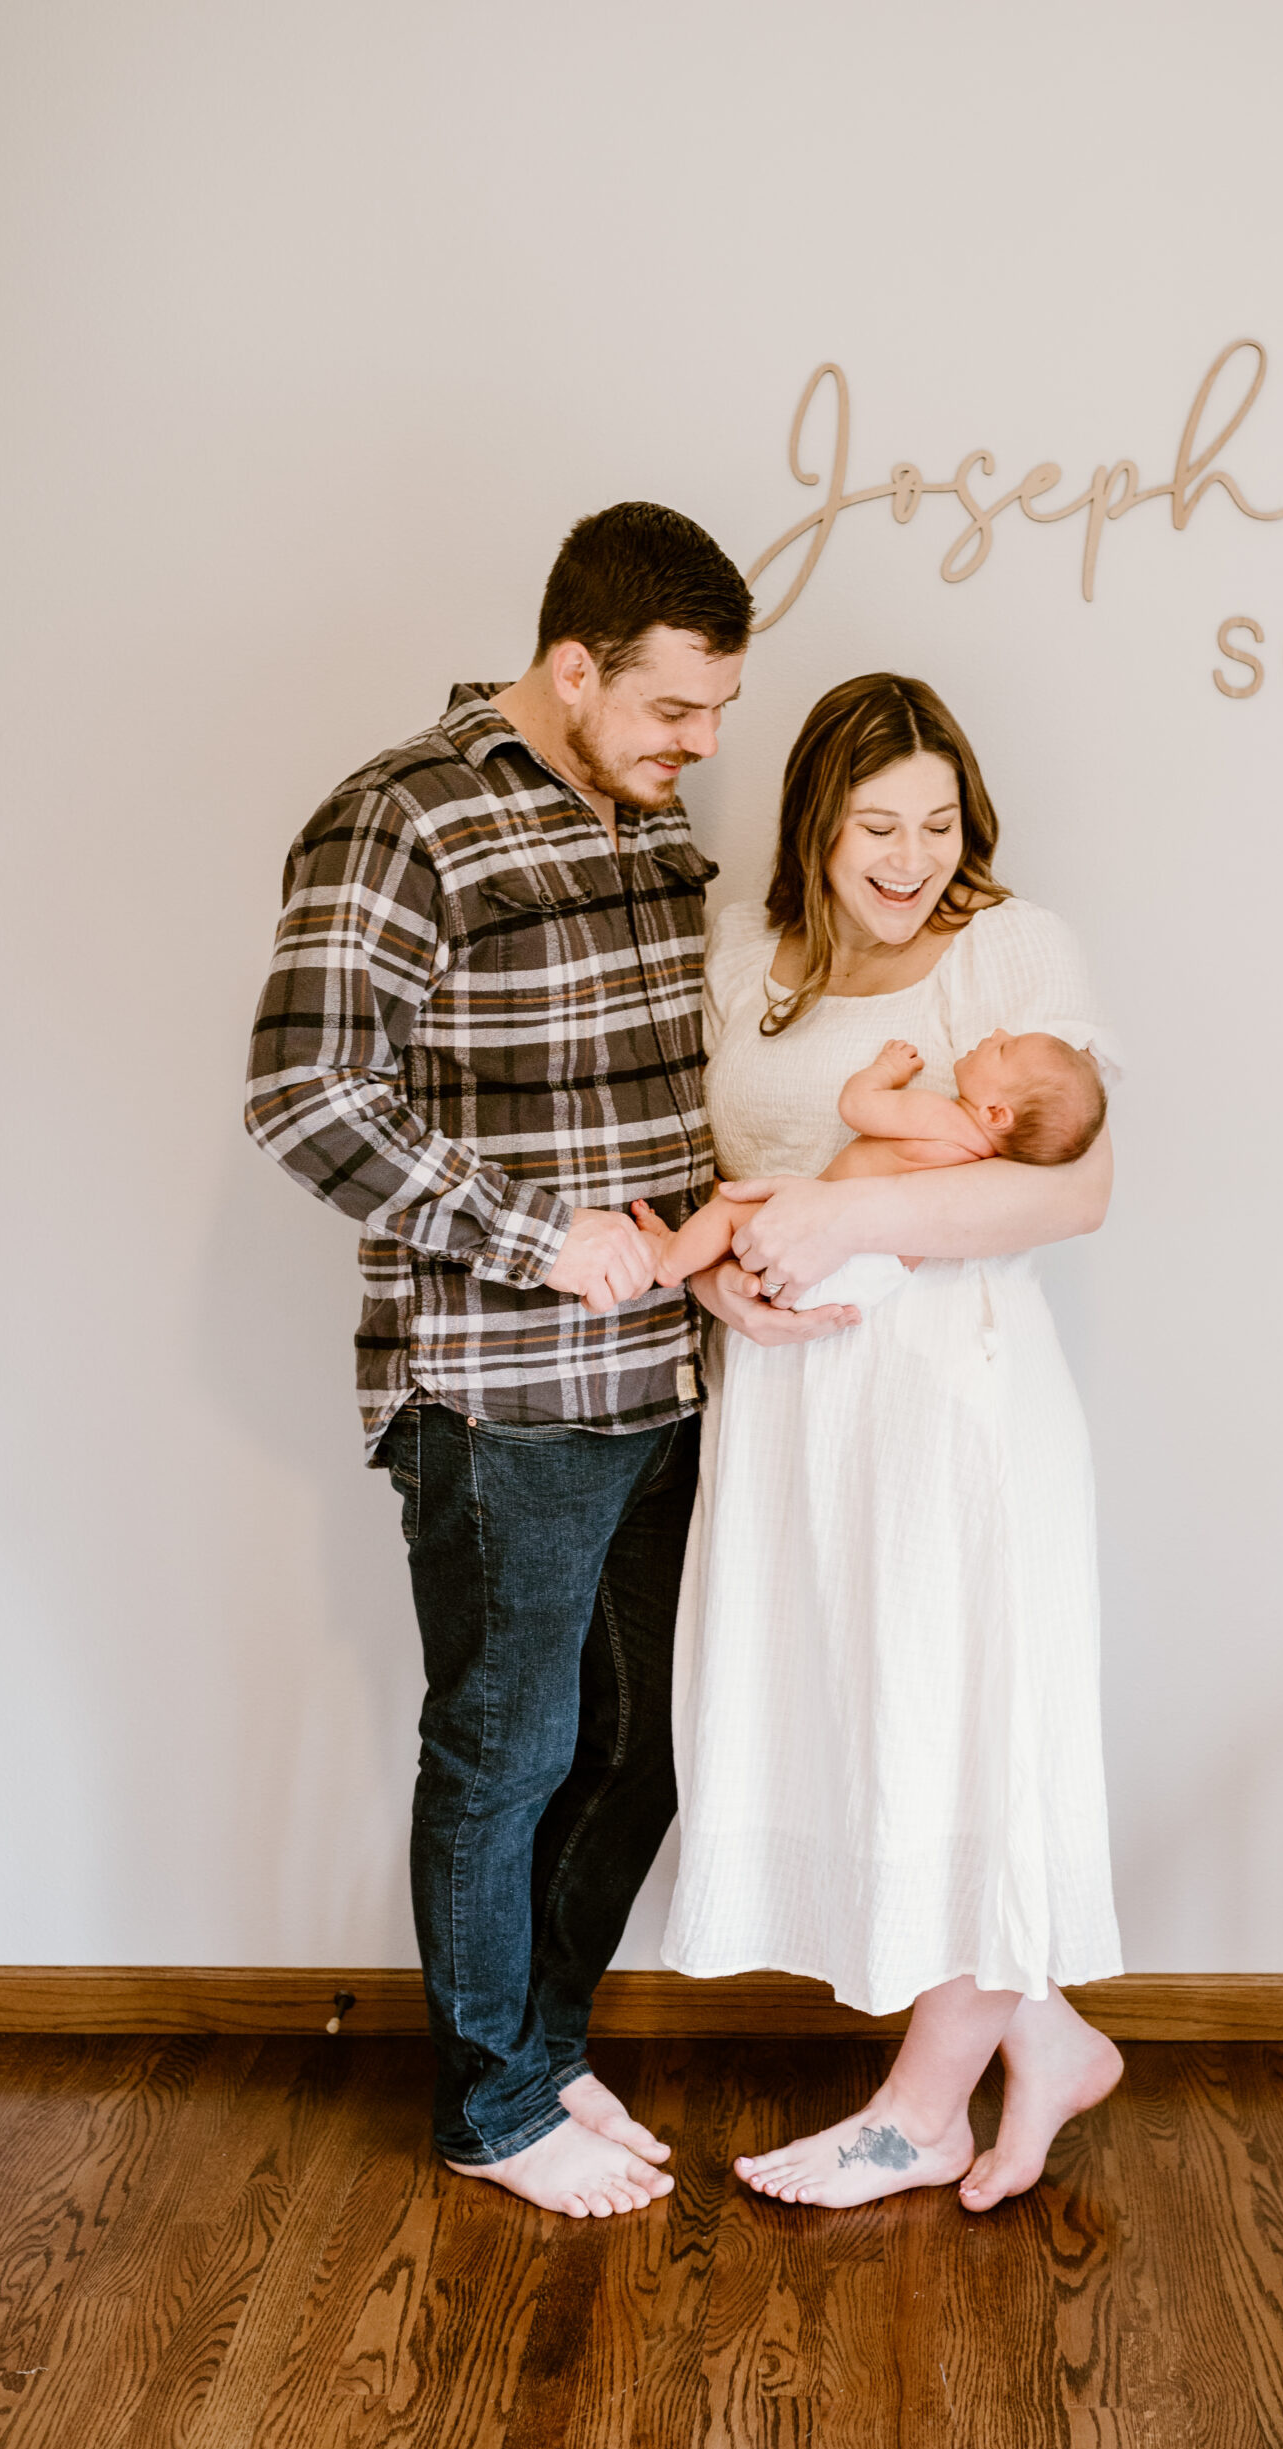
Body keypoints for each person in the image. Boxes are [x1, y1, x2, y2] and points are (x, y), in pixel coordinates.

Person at [243, 502, 856, 2220]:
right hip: (495, 1400)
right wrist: (539, 1235)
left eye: (721, 711)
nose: (703, 744)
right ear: (569, 666)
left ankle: (537, 2046)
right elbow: (306, 1096)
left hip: (661, 1382)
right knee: (502, 1757)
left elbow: (649, 1101)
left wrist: (706, 1245)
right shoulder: (400, 818)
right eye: (674, 708)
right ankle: (486, 2106)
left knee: (647, 1747)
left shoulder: (645, 822)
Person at [665, 670, 1127, 2213]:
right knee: (879, 1725)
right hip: (797, 1399)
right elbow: (724, 1167)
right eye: (878, 823)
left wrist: (849, 1210)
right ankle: (1041, 2035)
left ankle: (921, 2114)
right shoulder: (746, 956)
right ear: (816, 819)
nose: (911, 855)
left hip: (955, 1403)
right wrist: (732, 1271)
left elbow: (1071, 1189)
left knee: (968, 1720)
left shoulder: (1011, 949)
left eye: (937, 822)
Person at [629, 1030, 1107, 1290]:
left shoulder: (939, 1115)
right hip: (869, 1279)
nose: (996, 1032)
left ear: (996, 1113)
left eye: (1003, 1047)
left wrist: (887, 1070)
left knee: (733, 1212)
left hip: (820, 1247)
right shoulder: (979, 1163)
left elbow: (856, 1107)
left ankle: (669, 1259)